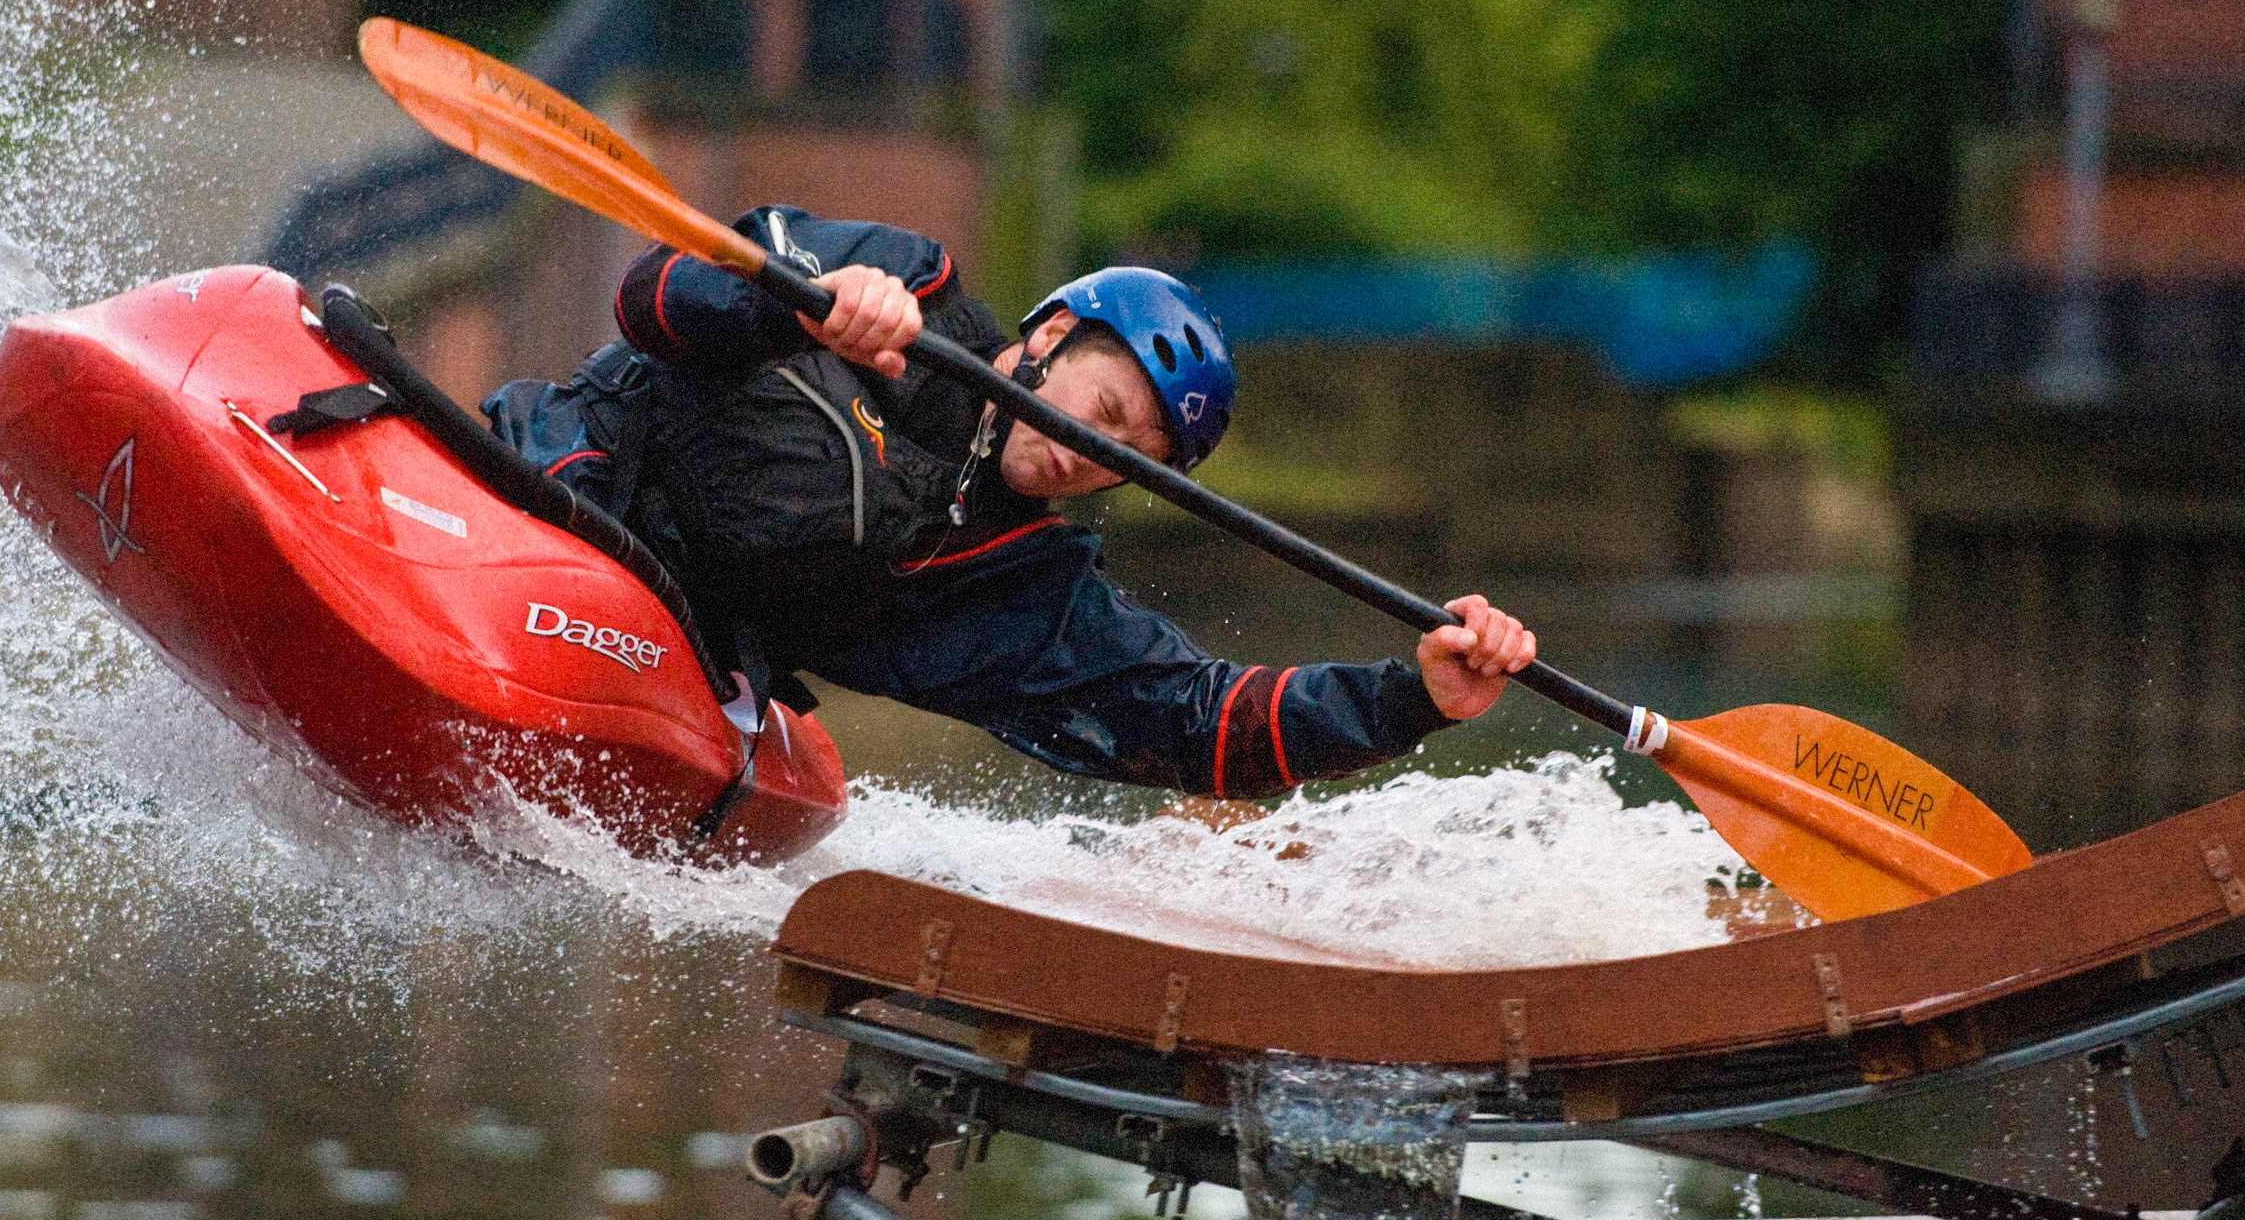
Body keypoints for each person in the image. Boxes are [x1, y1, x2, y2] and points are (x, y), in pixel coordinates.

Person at [484, 207, 1536, 801]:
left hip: (677, 652)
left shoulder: (1032, 596)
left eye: (1137, 456)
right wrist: (798, 308)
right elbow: (654, 297)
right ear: (1046, 340)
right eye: (1108, 407)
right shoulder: (908, 287)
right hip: (566, 489)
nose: (1100, 452)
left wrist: (1415, 699)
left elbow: (1204, 723)